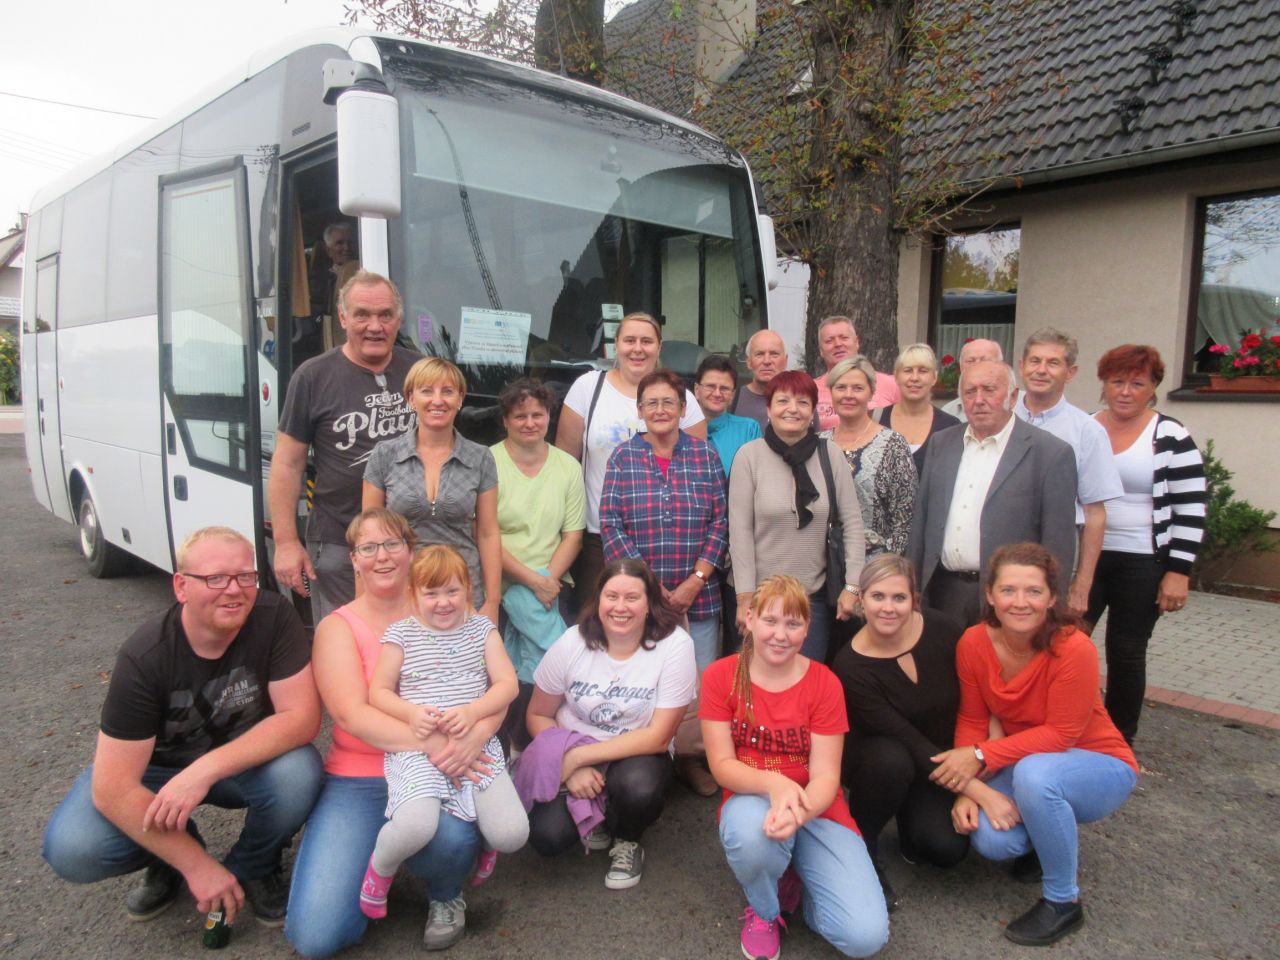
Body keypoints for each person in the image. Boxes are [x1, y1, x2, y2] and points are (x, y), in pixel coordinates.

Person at [43, 527, 322, 928]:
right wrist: (195, 865)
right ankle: (170, 855)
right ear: (181, 586)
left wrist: (203, 771)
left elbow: (301, 718)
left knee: (298, 773)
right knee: (75, 848)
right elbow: (113, 788)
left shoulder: (273, 616)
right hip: (157, 773)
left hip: (236, 764)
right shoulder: (145, 657)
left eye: (245, 576)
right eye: (215, 578)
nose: (234, 590)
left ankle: (254, 865)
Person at [285, 509, 492, 957]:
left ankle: (444, 892)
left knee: (453, 841)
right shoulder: (338, 627)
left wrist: (478, 735)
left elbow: (494, 688)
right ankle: (375, 860)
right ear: (354, 560)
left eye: (393, 544)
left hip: (438, 770)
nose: (382, 556)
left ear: (410, 551)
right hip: (362, 777)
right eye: (368, 547)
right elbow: (352, 715)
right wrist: (440, 743)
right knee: (317, 937)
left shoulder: (448, 608)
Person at [934, 543, 1139, 946]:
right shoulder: (973, 642)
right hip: (1030, 761)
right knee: (993, 841)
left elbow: (1062, 734)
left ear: (1051, 597)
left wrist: (980, 756)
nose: (1020, 602)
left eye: (1033, 591)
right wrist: (967, 789)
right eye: (1008, 590)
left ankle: (1064, 902)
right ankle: (1047, 838)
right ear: (990, 594)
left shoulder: (1074, 648)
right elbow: (973, 719)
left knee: (1035, 775)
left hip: (1099, 765)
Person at [700, 575, 889, 960]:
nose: (780, 635)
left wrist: (798, 811)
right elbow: (721, 765)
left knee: (864, 937)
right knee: (752, 838)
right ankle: (765, 910)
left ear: (807, 629)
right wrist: (776, 785)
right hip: (752, 800)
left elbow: (826, 777)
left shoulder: (825, 683)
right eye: (770, 620)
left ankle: (800, 889)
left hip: (817, 807)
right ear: (750, 619)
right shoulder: (721, 676)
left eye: (793, 623)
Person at [360, 545, 528, 918]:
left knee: (512, 834)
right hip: (420, 750)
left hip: (476, 746)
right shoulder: (401, 635)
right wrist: (410, 712)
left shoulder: (482, 630)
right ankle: (380, 869)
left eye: (452, 591)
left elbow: (507, 685)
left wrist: (473, 710)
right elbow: (379, 692)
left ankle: (487, 840)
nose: (443, 602)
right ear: (413, 594)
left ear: (468, 589)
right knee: (416, 825)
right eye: (431, 593)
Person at [521, 559, 697, 889]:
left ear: (649, 603)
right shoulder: (573, 641)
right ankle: (596, 814)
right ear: (598, 599)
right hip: (572, 746)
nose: (620, 607)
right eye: (611, 596)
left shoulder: (674, 646)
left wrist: (578, 759)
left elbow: (659, 736)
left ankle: (627, 837)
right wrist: (570, 765)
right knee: (547, 837)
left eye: (632, 597)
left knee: (638, 790)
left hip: (637, 752)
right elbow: (538, 715)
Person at [600, 368, 729, 796]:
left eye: (668, 402)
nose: (660, 410)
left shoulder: (705, 455)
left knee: (696, 683)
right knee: (642, 680)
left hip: (699, 595)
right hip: (640, 598)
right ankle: (643, 760)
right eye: (651, 403)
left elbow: (720, 521)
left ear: (682, 408)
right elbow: (611, 524)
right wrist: (648, 586)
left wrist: (696, 579)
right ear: (639, 410)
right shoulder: (623, 458)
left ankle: (689, 759)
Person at [269, 270, 419, 622]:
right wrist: (286, 542)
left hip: (414, 538)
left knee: (414, 640)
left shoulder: (419, 370)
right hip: (340, 541)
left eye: (385, 315)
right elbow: (287, 464)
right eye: (362, 314)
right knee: (348, 639)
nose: (374, 326)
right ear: (342, 318)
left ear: (398, 319)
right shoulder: (313, 376)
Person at [829, 554, 968, 912]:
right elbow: (907, 738)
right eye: (878, 597)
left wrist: (974, 762)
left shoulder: (946, 630)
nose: (888, 608)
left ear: (914, 599)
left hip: (943, 752)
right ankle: (863, 844)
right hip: (879, 757)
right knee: (892, 760)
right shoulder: (851, 665)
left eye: (899, 597)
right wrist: (975, 790)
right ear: (862, 599)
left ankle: (910, 813)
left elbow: (976, 702)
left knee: (944, 849)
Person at [1085, 345, 1207, 743]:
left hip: (1143, 560)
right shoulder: (1085, 428)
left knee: (1126, 651)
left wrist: (1178, 572)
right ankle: (1067, 726)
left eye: (1137, 384)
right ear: (1104, 384)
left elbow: (1192, 506)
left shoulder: (1170, 435)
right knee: (1067, 643)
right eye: (1117, 381)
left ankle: (1119, 740)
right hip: (1087, 557)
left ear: (1153, 388)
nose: (1125, 391)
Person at [554, 312, 706, 610]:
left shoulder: (683, 399)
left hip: (666, 542)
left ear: (659, 347)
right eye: (630, 340)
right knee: (601, 624)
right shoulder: (588, 388)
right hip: (599, 538)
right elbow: (565, 465)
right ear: (616, 345)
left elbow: (697, 472)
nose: (638, 349)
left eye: (646, 341)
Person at [907, 360, 1077, 626]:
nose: (979, 400)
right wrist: (912, 585)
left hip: (1011, 598)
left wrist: (1054, 608)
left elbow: (1058, 541)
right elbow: (922, 519)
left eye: (989, 390)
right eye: (970, 392)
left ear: (1013, 396)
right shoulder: (942, 443)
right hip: (942, 591)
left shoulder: (1050, 453)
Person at [729, 370, 865, 663]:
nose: (793, 409)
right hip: (759, 600)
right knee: (757, 682)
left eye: (803, 402)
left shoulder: (831, 455)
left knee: (805, 680)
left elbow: (852, 523)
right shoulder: (749, 456)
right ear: (768, 409)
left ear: (813, 411)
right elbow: (740, 533)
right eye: (783, 401)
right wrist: (744, 598)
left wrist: (852, 586)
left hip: (811, 600)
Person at [363, 357, 501, 625]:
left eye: (447, 391)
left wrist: (492, 602)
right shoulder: (385, 455)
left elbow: (488, 532)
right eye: (427, 391)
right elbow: (368, 535)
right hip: (402, 589)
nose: (438, 400)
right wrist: (367, 598)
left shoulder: (480, 457)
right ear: (411, 398)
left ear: (460, 399)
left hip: (462, 591)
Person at [490, 378, 585, 743]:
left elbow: (573, 535)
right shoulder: (488, 462)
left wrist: (548, 581)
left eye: (538, 415)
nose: (530, 423)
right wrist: (533, 581)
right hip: (502, 583)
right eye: (520, 416)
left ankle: (527, 746)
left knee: (531, 669)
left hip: (553, 585)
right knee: (539, 662)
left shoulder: (567, 466)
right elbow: (484, 534)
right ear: (505, 420)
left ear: (549, 417)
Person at [1014, 328, 1123, 616]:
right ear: (1021, 366)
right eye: (1035, 361)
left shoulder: (1087, 431)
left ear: (1071, 372)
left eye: (1053, 363)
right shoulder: (1001, 418)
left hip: (1054, 553)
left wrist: (1082, 585)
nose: (1041, 370)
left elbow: (1095, 513)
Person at [818, 356, 917, 555]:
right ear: (831, 392)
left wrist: (888, 565)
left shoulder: (893, 445)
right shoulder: (818, 444)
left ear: (871, 393)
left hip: (875, 564)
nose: (848, 395)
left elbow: (905, 517)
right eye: (841, 387)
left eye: (857, 388)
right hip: (824, 562)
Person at [875, 343, 960, 473]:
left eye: (923, 371)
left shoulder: (950, 426)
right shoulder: (876, 420)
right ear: (896, 377)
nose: (914, 378)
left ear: (934, 377)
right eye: (908, 370)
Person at [813, 316, 900, 431]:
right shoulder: (811, 389)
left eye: (844, 338)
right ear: (821, 350)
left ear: (857, 342)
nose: (838, 344)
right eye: (829, 341)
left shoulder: (891, 384)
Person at [694, 353, 762, 473]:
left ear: (732, 395)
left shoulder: (748, 430)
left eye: (724, 388)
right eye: (710, 386)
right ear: (697, 390)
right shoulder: (678, 428)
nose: (717, 393)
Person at [731, 329, 788, 429]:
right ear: (749, 362)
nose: (767, 361)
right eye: (759, 354)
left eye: (774, 354)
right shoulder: (731, 400)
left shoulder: (801, 403)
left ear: (785, 361)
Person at [940, 338, 1004, 421]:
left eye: (984, 360)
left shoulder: (1018, 405)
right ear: (961, 367)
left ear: (1001, 365)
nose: (977, 366)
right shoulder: (948, 411)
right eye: (970, 361)